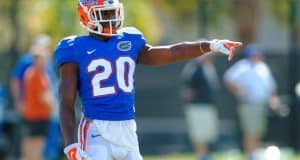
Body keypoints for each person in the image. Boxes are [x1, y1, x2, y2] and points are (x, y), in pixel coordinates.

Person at [55, 0, 242, 160]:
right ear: (86, 16)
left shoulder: (130, 40)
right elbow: (66, 102)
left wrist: (209, 45)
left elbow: (172, 52)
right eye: (105, 13)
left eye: (113, 12)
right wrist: (70, 143)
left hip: (127, 128)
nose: (111, 18)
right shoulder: (74, 48)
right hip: (96, 130)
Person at [223, 44, 281, 160]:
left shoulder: (263, 67)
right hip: (248, 103)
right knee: (250, 130)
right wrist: (238, 90)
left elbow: (270, 87)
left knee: (259, 130)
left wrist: (274, 100)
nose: (257, 56)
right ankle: (250, 155)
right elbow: (228, 78)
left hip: (261, 104)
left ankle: (254, 153)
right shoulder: (242, 66)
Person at [181, 55, 220, 160]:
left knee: (206, 133)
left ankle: (205, 154)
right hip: (197, 106)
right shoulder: (194, 70)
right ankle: (201, 155)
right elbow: (187, 91)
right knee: (198, 133)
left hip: (207, 105)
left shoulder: (208, 69)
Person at [21, 41, 54, 160]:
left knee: (31, 141)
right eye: (44, 58)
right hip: (39, 114)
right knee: (37, 143)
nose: (46, 60)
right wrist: (54, 106)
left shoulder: (30, 72)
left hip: (32, 114)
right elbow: (43, 97)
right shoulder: (37, 74)